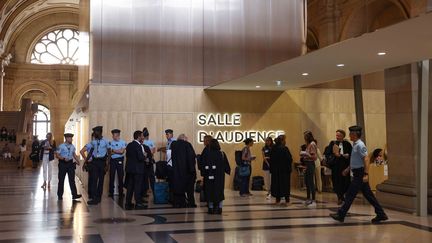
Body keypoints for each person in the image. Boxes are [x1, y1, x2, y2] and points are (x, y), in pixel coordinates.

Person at [330, 125, 388, 223]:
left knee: (350, 194)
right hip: (357, 172)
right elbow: (356, 160)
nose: (349, 135)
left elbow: (366, 159)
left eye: (351, 134)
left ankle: (341, 214)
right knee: (369, 196)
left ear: (355, 134)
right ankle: (381, 214)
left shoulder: (360, 145)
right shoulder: (355, 144)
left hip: (360, 174)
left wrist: (366, 174)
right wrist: (348, 169)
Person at [201, 139, 231, 214]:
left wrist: (203, 174)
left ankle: (210, 208)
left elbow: (202, 164)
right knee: (219, 191)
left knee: (210, 191)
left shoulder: (207, 154)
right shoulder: (222, 154)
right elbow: (226, 166)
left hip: (209, 176)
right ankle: (219, 208)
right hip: (219, 177)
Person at [324, 129, 352, 205]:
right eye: (336, 135)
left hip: (345, 165)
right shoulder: (332, 143)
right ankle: (339, 197)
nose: (337, 137)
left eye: (339, 135)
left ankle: (343, 195)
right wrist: (334, 155)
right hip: (336, 166)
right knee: (336, 181)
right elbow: (327, 154)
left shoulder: (347, 144)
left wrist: (347, 155)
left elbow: (351, 154)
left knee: (346, 182)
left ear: (343, 136)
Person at [125, 130, 151, 210]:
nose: (143, 138)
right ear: (139, 137)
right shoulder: (138, 146)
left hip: (130, 169)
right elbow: (140, 157)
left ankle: (128, 203)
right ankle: (138, 203)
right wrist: (145, 157)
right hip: (138, 169)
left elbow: (127, 155)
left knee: (130, 187)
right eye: (142, 136)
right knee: (137, 186)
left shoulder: (129, 145)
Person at [170, 134, 197, 208]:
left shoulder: (174, 145)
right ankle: (191, 203)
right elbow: (191, 157)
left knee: (178, 187)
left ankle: (178, 203)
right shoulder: (187, 145)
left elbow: (172, 157)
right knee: (189, 188)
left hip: (176, 170)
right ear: (184, 139)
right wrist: (192, 170)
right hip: (187, 171)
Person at [87, 126, 110, 205]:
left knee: (101, 180)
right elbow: (90, 152)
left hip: (102, 162)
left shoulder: (106, 141)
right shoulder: (93, 141)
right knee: (94, 180)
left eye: (95, 131)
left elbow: (109, 153)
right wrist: (86, 162)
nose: (94, 133)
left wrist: (107, 164)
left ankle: (98, 197)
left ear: (100, 132)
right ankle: (94, 198)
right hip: (94, 162)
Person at [56, 133, 82, 201]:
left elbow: (74, 154)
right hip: (62, 164)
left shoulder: (72, 146)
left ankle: (74, 195)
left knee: (72, 180)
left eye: (71, 138)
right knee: (61, 180)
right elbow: (57, 155)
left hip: (70, 164)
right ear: (66, 138)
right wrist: (63, 158)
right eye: (70, 138)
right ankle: (59, 195)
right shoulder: (61, 146)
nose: (71, 139)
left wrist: (78, 161)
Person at [270, 135, 293, 206]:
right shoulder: (285, 149)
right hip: (284, 171)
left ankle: (277, 200)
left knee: (277, 185)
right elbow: (289, 159)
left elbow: (271, 160)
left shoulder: (273, 149)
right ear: (282, 141)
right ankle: (287, 201)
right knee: (285, 185)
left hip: (276, 171)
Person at [300, 131, 317, 207]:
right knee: (307, 182)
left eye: (306, 136)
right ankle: (308, 199)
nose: (304, 138)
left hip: (310, 164)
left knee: (310, 182)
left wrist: (306, 154)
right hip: (307, 164)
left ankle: (313, 200)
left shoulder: (312, 144)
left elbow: (314, 157)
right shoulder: (308, 144)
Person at [108, 129, 126, 197]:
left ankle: (121, 192)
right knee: (111, 176)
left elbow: (122, 151)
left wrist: (114, 150)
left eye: (114, 135)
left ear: (118, 135)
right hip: (112, 160)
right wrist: (117, 151)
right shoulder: (110, 142)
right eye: (113, 135)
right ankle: (111, 192)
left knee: (120, 176)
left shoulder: (123, 142)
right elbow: (110, 152)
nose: (113, 137)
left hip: (120, 160)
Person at [80, 133, 95, 200]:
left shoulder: (100, 144)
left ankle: (93, 194)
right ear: (92, 138)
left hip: (97, 163)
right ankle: (91, 194)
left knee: (94, 179)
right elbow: (81, 151)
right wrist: (86, 159)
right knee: (91, 178)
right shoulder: (89, 144)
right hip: (91, 163)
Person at [142, 127, 156, 197]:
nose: (147, 137)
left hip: (150, 161)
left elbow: (153, 151)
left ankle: (154, 191)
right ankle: (144, 192)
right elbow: (142, 152)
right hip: (144, 162)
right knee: (144, 177)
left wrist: (148, 152)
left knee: (152, 177)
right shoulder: (142, 142)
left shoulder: (151, 141)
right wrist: (149, 151)